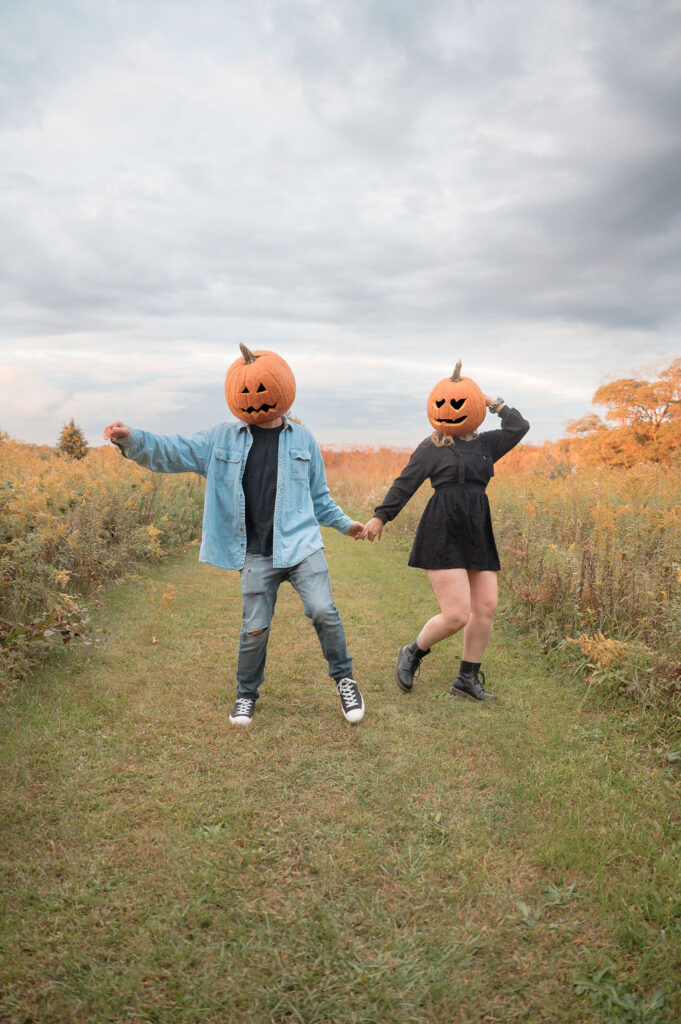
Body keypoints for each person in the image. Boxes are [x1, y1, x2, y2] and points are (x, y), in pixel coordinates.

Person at [103, 344, 366, 728]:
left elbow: (319, 498)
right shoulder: (219, 440)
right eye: (245, 391)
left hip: (301, 546)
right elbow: (173, 451)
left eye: (261, 389)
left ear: (283, 387)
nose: (254, 399)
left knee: (323, 610)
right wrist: (131, 439)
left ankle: (345, 680)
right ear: (234, 396)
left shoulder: (304, 440)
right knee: (254, 628)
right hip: (255, 552)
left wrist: (347, 525)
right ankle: (246, 694)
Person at [362, 361, 529, 702]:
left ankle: (466, 680)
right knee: (456, 614)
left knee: (486, 607)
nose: (449, 410)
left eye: (458, 402)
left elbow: (519, 426)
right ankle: (412, 651)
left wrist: (490, 401)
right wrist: (381, 516)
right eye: (442, 404)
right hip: (442, 529)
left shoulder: (487, 444)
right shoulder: (433, 446)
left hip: (476, 529)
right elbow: (405, 483)